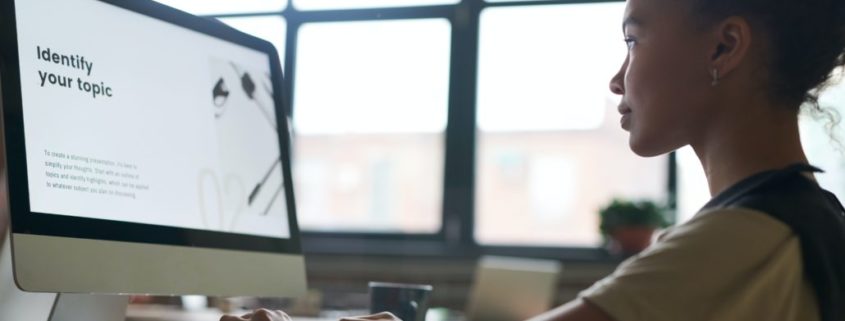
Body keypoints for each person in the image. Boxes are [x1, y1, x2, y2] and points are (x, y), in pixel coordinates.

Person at [221, 0, 845, 320]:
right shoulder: (808, 218)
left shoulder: (740, 240)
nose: (616, 78)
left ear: (725, 45)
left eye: (634, 38)